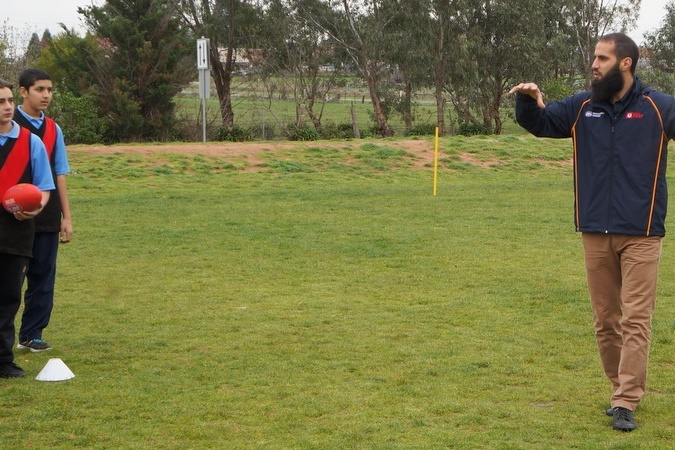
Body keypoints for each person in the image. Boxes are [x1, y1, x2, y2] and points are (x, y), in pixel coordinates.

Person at [510, 32, 675, 432]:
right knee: (605, 319)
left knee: (636, 318)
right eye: (594, 59)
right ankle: (619, 387)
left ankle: (625, 401)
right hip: (595, 231)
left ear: (626, 64)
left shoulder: (659, 107)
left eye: (602, 58)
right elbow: (540, 123)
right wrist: (527, 100)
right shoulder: (582, 106)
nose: (594, 65)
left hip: (642, 232)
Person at [13, 69, 73, 353]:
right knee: (10, 279)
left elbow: (59, 174)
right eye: (39, 89)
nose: (46, 95)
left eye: (49, 89)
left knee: (43, 278)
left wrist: (67, 218)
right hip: (10, 217)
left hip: (47, 216)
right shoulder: (8, 124)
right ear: (23, 92)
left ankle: (31, 334)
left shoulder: (53, 129)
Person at [0, 79, 55, 378]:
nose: (8, 107)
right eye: (1, 102)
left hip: (16, 233)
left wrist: (35, 207)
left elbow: (44, 186)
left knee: (8, 298)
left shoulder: (30, 142)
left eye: (9, 100)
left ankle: (3, 360)